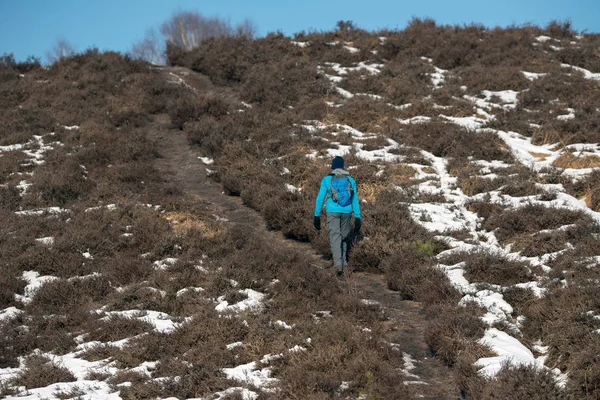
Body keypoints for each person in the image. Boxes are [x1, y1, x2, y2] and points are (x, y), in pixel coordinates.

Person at [313, 156, 361, 276]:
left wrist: (316, 215)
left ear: (333, 166)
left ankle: (338, 266)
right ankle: (344, 262)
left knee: (335, 236)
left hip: (332, 211)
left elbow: (320, 198)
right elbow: (355, 199)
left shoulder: (327, 179)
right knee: (344, 237)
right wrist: (358, 216)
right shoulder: (350, 179)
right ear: (343, 166)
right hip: (347, 211)